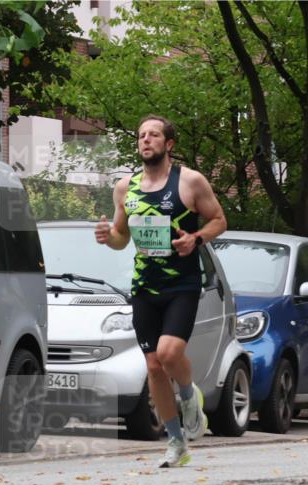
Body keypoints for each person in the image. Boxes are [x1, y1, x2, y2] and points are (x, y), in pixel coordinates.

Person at [95, 114, 228, 467]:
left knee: (169, 354)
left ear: (169, 144)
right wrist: (110, 237)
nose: (146, 140)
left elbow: (219, 220)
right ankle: (175, 441)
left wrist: (196, 239)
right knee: (153, 367)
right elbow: (123, 238)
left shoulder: (190, 182)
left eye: (154, 135)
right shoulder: (125, 187)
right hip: (144, 286)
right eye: (141, 135)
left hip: (182, 283)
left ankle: (189, 396)